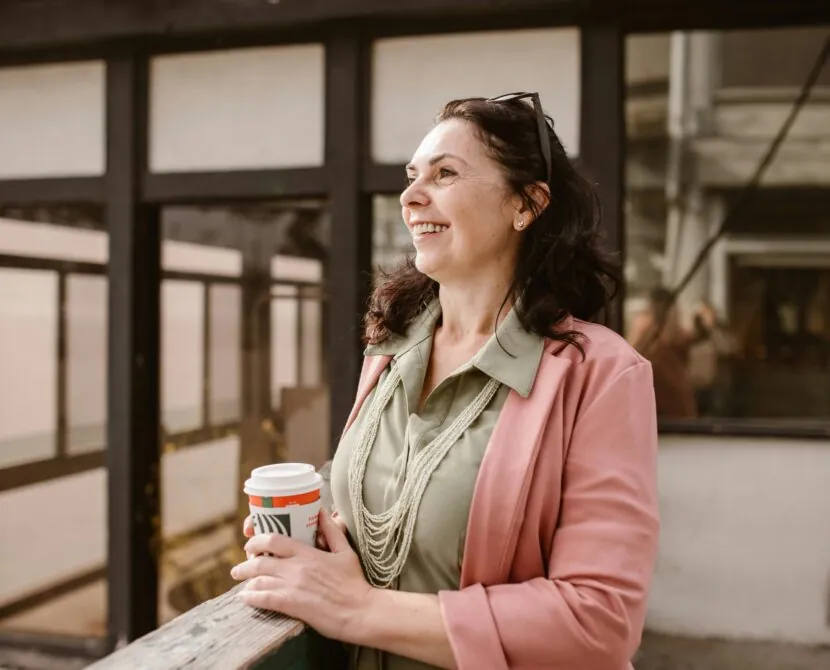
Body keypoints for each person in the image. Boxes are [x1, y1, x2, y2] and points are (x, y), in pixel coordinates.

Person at [231, 92, 660, 670]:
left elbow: (597, 619)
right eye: (412, 177)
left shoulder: (602, 375)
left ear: (526, 205)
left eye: (445, 174)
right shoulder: (390, 347)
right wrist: (303, 537)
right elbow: (383, 506)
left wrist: (359, 609)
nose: (411, 196)